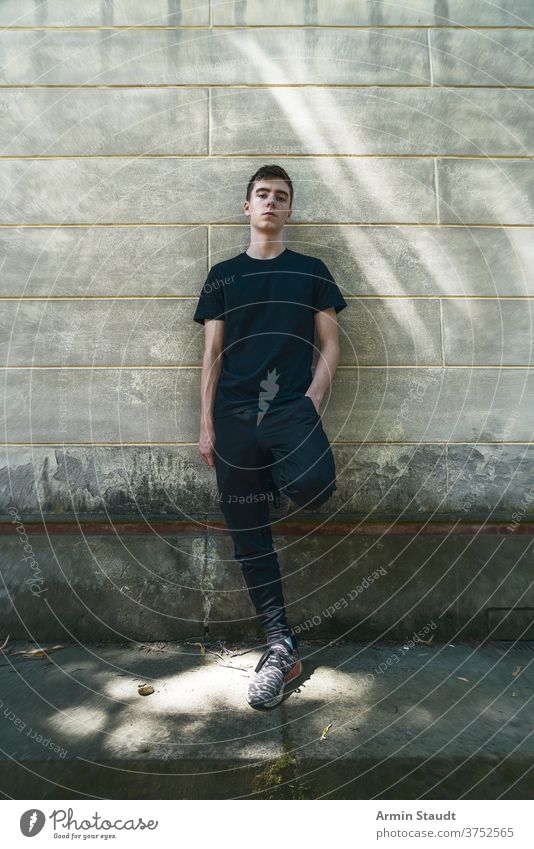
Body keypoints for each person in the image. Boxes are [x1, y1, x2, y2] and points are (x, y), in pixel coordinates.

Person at [193, 164, 347, 708]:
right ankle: (281, 646)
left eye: (281, 196)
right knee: (248, 536)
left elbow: (331, 343)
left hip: (289, 409)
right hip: (234, 416)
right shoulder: (223, 275)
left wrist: (311, 400)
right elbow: (212, 355)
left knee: (313, 485)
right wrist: (207, 422)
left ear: (288, 209)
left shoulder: (311, 270)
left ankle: (273, 478)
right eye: (262, 194)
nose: (271, 203)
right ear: (247, 206)